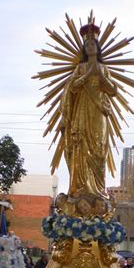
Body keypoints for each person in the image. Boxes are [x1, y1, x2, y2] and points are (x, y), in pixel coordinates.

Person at [51, 23, 117, 199]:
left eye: (92, 44)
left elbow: (113, 91)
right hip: (82, 111)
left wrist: (101, 76)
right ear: (84, 48)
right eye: (87, 45)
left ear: (97, 47)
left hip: (99, 113)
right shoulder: (80, 68)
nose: (89, 47)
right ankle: (82, 188)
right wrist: (87, 75)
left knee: (98, 150)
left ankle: (98, 189)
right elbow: (72, 87)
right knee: (81, 147)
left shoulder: (104, 69)